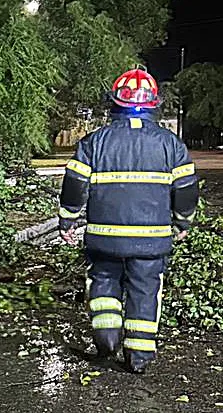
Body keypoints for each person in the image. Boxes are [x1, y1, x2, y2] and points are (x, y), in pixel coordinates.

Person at [58, 68, 199, 374]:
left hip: (103, 237)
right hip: (151, 241)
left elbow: (74, 184)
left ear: (114, 101)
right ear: (154, 103)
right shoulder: (171, 144)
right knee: (145, 292)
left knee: (104, 282)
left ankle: (107, 339)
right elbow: (186, 190)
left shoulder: (94, 142)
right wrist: (182, 223)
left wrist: (67, 220)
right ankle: (138, 357)